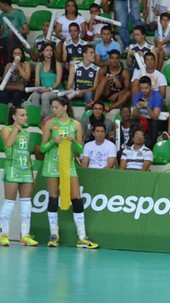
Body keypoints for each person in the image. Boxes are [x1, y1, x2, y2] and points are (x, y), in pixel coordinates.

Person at [39, 97, 98, 249]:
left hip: (69, 165)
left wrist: (74, 142)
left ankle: (82, 237)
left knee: (76, 198)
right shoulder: (50, 124)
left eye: (56, 107)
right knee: (53, 198)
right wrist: (53, 141)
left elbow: (81, 151)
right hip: (52, 164)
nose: (53, 110)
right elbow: (42, 149)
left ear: (65, 107)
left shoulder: (76, 125)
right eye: (52, 107)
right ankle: (54, 235)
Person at [0, 106, 37, 247]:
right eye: (22, 115)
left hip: (26, 170)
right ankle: (3, 235)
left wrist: (32, 175)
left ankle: (25, 236)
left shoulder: (27, 133)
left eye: (26, 114)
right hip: (12, 168)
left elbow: (27, 154)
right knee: (9, 202)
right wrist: (15, 128)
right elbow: (8, 144)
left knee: (26, 203)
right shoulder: (6, 129)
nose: (26, 117)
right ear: (14, 117)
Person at [132, 76, 166, 148]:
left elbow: (155, 117)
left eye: (146, 88)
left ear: (151, 87)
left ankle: (151, 147)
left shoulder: (157, 96)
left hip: (159, 120)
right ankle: (133, 145)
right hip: (145, 118)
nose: (144, 90)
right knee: (135, 122)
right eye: (142, 88)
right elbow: (134, 116)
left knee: (153, 123)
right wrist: (137, 108)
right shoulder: (137, 96)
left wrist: (147, 107)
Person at [28, 43, 62, 117]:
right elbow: (37, 81)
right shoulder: (39, 65)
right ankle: (34, 117)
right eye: (47, 50)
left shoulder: (57, 64)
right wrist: (39, 88)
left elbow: (58, 82)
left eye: (51, 50)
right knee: (35, 95)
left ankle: (46, 118)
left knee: (45, 96)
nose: (49, 52)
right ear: (42, 52)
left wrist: (49, 89)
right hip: (43, 89)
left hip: (55, 90)